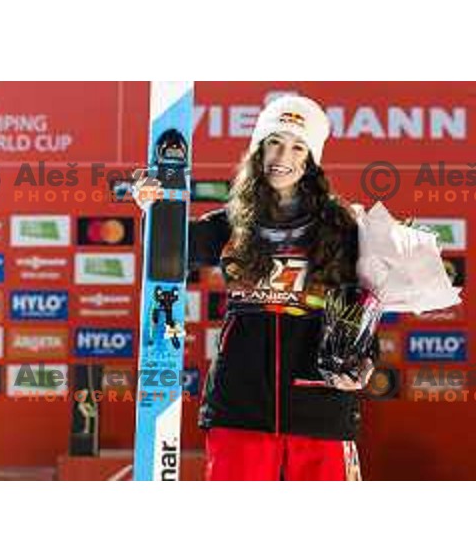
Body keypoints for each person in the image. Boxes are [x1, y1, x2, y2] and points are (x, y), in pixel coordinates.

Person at [133, 95, 376, 481]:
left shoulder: (341, 225)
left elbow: (359, 304)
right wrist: (154, 207)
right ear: (259, 149)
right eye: (275, 141)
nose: (284, 155)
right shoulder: (232, 222)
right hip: (240, 401)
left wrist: (362, 361)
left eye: (298, 146)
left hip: (319, 403)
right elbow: (170, 255)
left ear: (311, 160)